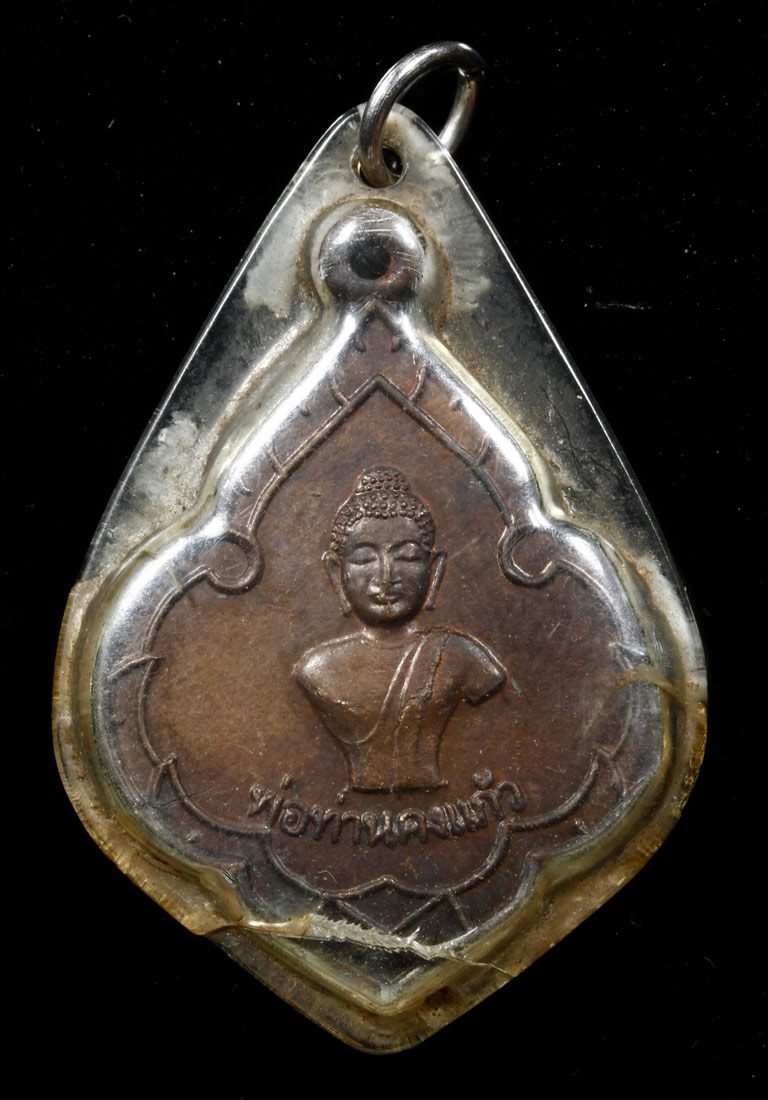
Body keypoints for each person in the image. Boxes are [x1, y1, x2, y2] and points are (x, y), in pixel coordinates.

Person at [294, 467, 506, 793]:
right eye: (364, 558)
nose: (386, 576)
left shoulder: (462, 658)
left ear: (434, 569)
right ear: (337, 572)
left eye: (406, 556)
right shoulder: (317, 669)